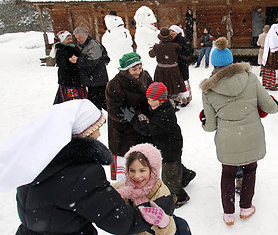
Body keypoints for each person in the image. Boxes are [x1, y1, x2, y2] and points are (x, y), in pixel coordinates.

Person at [0, 99, 161, 234]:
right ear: (83, 132)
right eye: (95, 129)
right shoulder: (83, 173)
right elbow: (119, 220)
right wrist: (158, 210)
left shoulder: (36, 160)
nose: (98, 134)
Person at [200, 37, 278, 225]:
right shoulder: (250, 78)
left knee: (227, 173)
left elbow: (210, 126)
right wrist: (275, 104)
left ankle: (228, 213)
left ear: (214, 64)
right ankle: (245, 207)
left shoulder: (208, 90)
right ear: (231, 61)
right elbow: (269, 106)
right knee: (250, 170)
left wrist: (203, 121)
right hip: (252, 136)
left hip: (228, 140)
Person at [113, 143, 192, 235]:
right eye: (132, 170)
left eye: (142, 170)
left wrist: (163, 223)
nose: (137, 176)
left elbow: (170, 231)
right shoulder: (122, 188)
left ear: (153, 171)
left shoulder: (160, 192)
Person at [144, 82, 196, 208]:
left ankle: (180, 197)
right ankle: (185, 175)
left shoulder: (163, 114)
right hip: (170, 144)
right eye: (149, 99)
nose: (150, 103)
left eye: (153, 100)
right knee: (173, 165)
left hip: (170, 147)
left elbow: (149, 130)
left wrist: (136, 120)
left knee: (168, 177)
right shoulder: (161, 108)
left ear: (162, 100)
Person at [106, 52, 153, 181]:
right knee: (127, 163)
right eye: (134, 69)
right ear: (126, 69)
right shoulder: (115, 84)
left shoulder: (146, 76)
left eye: (140, 68)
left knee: (143, 161)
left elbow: (151, 94)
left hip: (142, 125)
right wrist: (133, 116)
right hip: (124, 131)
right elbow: (114, 110)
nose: (138, 71)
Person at [73, 26, 110, 110]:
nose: (79, 40)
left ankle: (114, 118)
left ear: (86, 35)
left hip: (98, 79)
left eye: (80, 38)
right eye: (77, 38)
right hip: (92, 79)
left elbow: (93, 61)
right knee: (94, 103)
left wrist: (78, 60)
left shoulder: (93, 45)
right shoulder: (84, 44)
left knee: (102, 102)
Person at [149, 27, 187, 107]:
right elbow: (183, 55)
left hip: (161, 70)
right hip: (173, 69)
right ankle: (173, 102)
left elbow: (151, 54)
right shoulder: (175, 46)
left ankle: (165, 102)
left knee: (162, 85)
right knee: (174, 85)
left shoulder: (157, 47)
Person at [52, 30, 88, 104]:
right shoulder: (61, 49)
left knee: (80, 99)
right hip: (68, 79)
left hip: (77, 78)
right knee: (71, 100)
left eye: (71, 39)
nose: (70, 41)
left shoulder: (74, 47)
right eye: (68, 39)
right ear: (62, 40)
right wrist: (69, 61)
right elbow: (61, 64)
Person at [170, 24, 194, 107]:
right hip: (173, 65)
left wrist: (181, 54)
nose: (171, 32)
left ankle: (185, 99)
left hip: (182, 64)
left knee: (183, 81)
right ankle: (177, 99)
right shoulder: (169, 40)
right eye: (170, 30)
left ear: (177, 32)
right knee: (175, 82)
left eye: (173, 31)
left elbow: (190, 50)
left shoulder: (182, 40)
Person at [261, 23, 278, 91]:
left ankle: (267, 84)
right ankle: (272, 85)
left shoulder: (270, 34)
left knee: (268, 69)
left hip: (268, 56)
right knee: (273, 70)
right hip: (273, 57)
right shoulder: (273, 35)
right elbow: (275, 47)